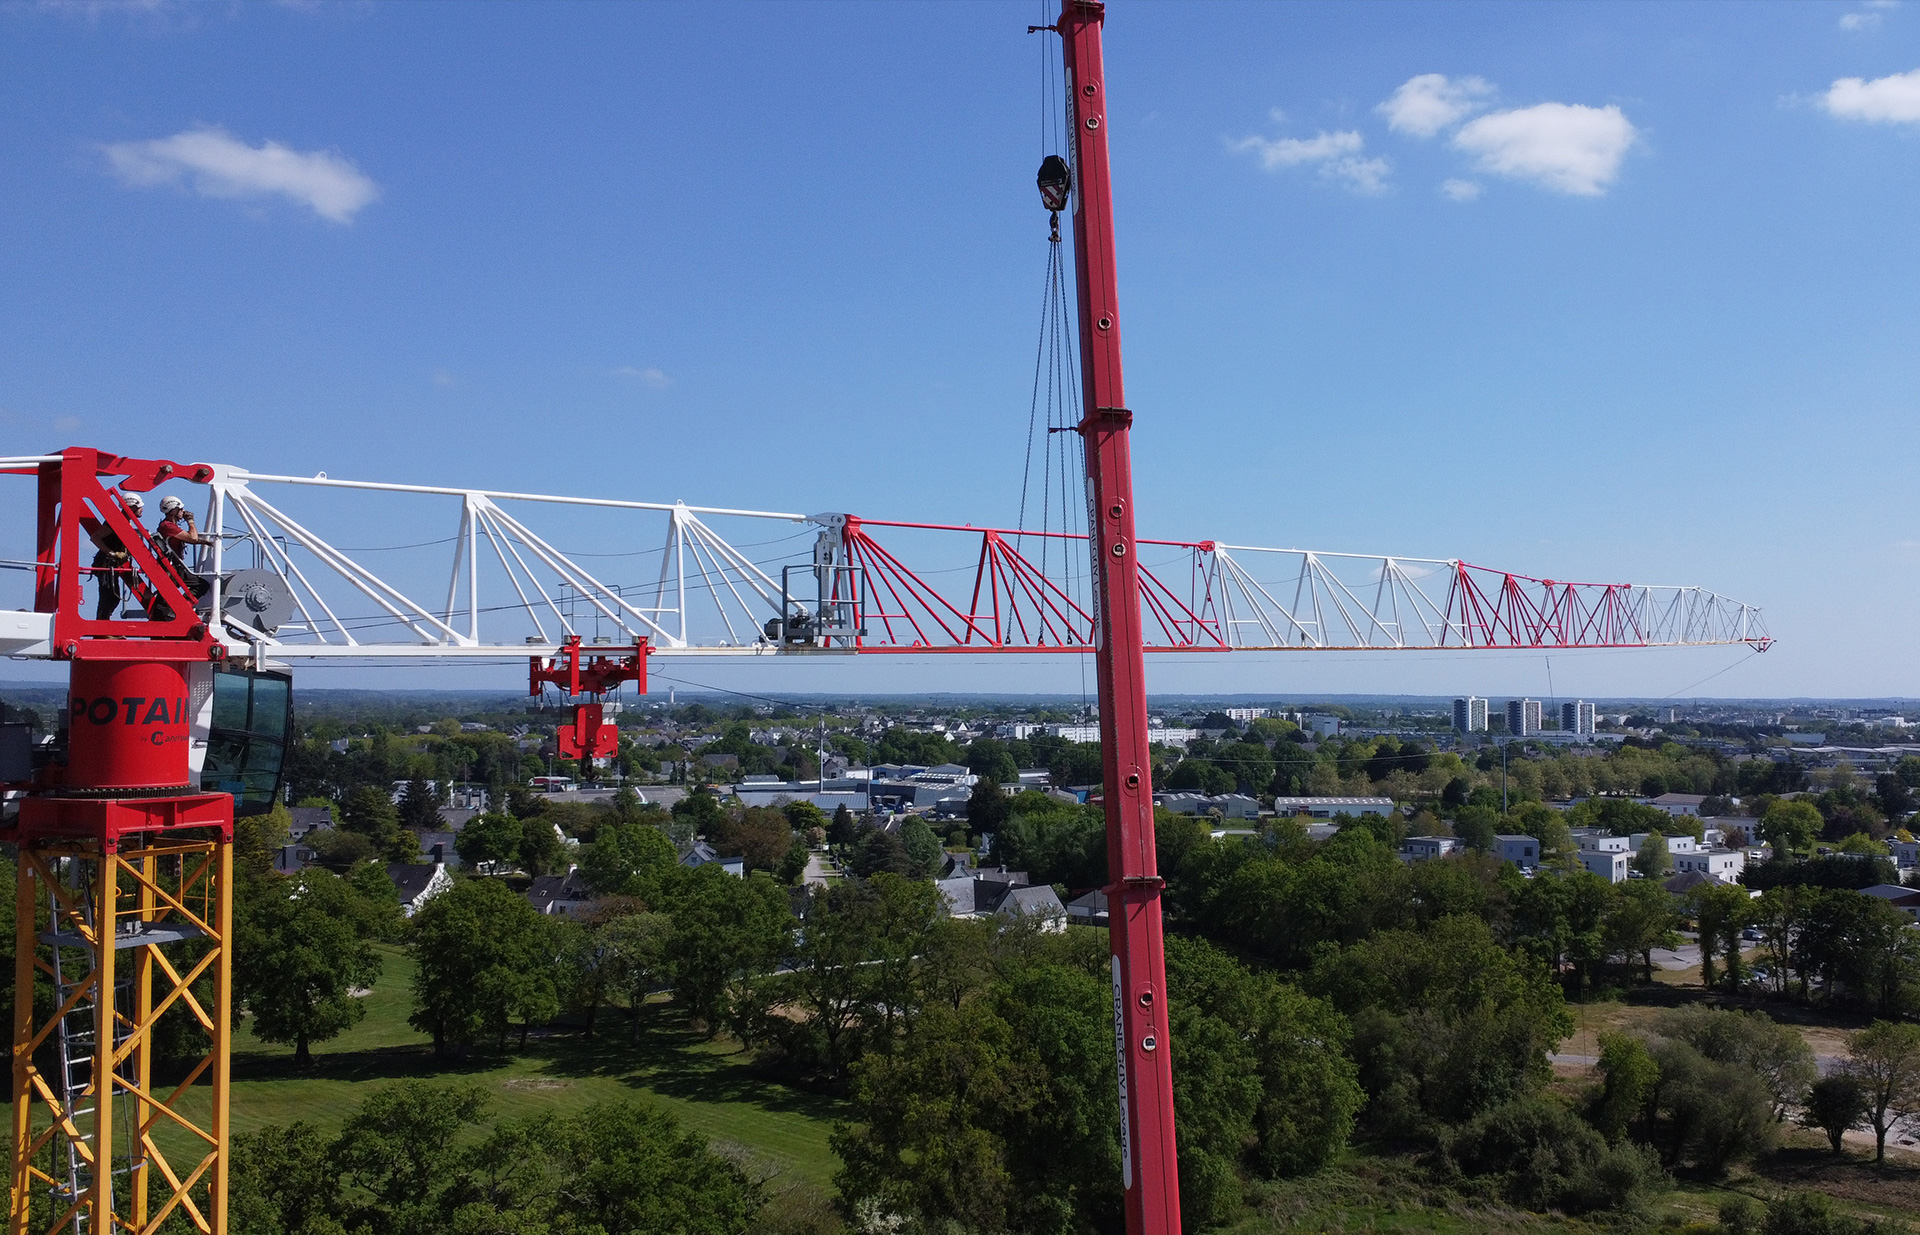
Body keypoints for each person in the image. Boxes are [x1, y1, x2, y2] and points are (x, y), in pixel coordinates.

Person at [88, 492, 139, 620]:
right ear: (132, 507)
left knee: (112, 597)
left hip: (112, 565)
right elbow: (95, 538)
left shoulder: (126, 521)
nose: (142, 509)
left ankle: (104, 626)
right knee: (109, 597)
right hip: (106, 564)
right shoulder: (115, 521)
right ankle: (102, 627)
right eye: (139, 506)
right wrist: (111, 552)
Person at [154, 495, 212, 600]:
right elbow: (192, 538)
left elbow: (187, 538)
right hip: (172, 567)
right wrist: (190, 521)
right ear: (173, 510)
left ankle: (179, 608)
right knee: (200, 585)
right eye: (180, 509)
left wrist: (205, 542)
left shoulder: (169, 526)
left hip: (175, 566)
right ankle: (182, 607)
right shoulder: (168, 526)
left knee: (166, 599)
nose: (183, 511)